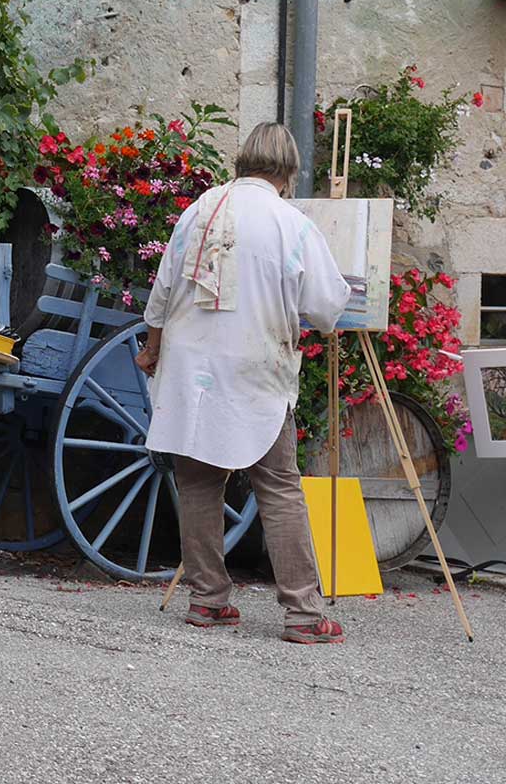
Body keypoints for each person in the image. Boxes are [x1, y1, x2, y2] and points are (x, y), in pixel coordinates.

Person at [134, 122, 351, 644]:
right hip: (254, 365)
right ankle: (302, 613)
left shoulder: (199, 209)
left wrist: (153, 347)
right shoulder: (289, 222)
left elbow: (163, 292)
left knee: (199, 482)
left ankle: (207, 601)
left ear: (244, 161)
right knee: (277, 485)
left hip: (192, 368)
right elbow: (325, 308)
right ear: (289, 172)